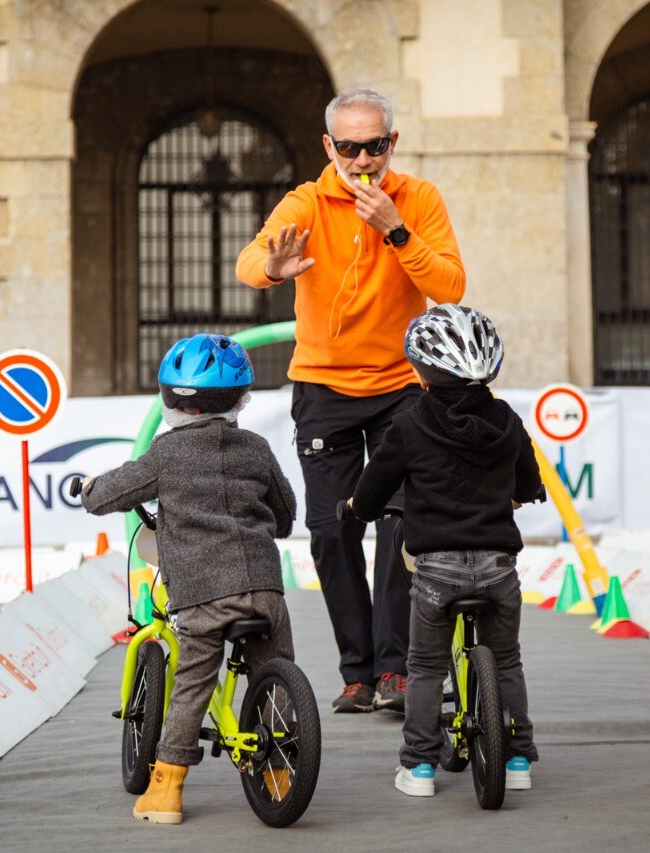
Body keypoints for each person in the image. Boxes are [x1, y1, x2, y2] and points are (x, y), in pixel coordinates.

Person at [236, 88, 466, 714]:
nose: (362, 160)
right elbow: (250, 260)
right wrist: (274, 271)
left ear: (393, 142)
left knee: (398, 523)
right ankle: (357, 672)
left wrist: (394, 228)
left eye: (374, 145)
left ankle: (396, 670)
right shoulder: (308, 200)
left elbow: (449, 285)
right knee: (332, 530)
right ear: (328, 146)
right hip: (324, 385)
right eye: (348, 147)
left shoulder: (418, 198)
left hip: (400, 386)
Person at [76, 334, 297, 823]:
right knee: (274, 670)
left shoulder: (166, 453)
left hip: (202, 594)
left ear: (169, 399)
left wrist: (90, 491)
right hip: (264, 587)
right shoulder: (256, 449)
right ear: (241, 398)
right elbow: (285, 516)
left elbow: (113, 491)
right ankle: (280, 770)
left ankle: (166, 790)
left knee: (192, 683)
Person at [344, 304, 543, 797]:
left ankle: (419, 768)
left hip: (436, 572)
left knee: (426, 668)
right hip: (499, 567)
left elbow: (373, 490)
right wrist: (514, 494)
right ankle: (518, 759)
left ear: (422, 368)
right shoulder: (507, 421)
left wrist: (355, 506)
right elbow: (529, 483)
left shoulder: (410, 425)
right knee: (509, 660)